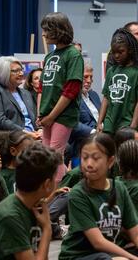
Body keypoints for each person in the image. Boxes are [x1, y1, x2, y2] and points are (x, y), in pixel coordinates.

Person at [59, 133, 138, 260]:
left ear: (110, 161)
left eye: (96, 158)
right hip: (82, 256)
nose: (89, 164)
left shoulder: (119, 188)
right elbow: (98, 242)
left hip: (110, 252)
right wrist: (133, 258)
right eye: (85, 158)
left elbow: (136, 234)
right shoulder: (78, 194)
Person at [0, 142, 60, 259]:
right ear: (47, 184)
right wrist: (47, 229)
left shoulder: (35, 206)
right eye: (55, 178)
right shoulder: (9, 215)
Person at [38, 12, 84, 182]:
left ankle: (57, 193)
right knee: (46, 154)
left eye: (47, 30)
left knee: (55, 154)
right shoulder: (49, 56)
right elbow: (42, 87)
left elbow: (71, 90)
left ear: (58, 30)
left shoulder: (73, 55)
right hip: (48, 115)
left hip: (63, 115)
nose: (43, 34)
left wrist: (51, 116)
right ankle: (67, 182)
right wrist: (40, 114)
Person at [97, 28, 138, 134]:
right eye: (114, 52)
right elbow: (106, 98)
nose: (116, 55)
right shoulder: (111, 71)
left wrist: (133, 127)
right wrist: (99, 122)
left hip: (127, 125)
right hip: (109, 125)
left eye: (121, 52)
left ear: (130, 50)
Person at [0, 56, 40, 140]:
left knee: (64, 147)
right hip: (8, 138)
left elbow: (36, 118)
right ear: (3, 73)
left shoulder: (26, 93)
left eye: (21, 70)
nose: (21, 73)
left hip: (31, 136)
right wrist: (25, 133)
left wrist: (40, 130)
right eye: (16, 71)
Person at [68, 60, 101, 167]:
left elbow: (101, 116)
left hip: (101, 137)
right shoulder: (70, 97)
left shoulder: (94, 94)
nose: (89, 81)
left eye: (91, 77)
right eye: (85, 77)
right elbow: (72, 123)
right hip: (82, 141)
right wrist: (93, 132)